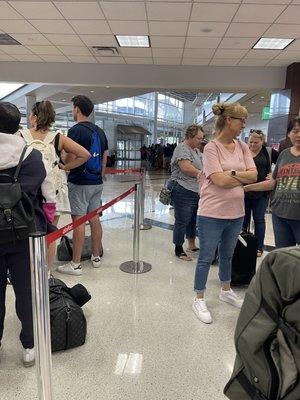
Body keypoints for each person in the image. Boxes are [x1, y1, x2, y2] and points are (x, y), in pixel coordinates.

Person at [193, 102, 257, 324]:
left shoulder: (242, 147)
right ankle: (199, 297)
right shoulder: (211, 148)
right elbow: (218, 181)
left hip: (236, 212)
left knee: (228, 254)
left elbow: (254, 175)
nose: (244, 125)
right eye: (241, 121)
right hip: (211, 212)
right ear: (229, 120)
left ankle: (225, 289)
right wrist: (240, 174)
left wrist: (230, 173)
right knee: (205, 257)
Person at [0, 102, 47, 366]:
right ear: (18, 125)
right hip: (23, 232)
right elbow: (43, 190)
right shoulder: (30, 155)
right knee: (26, 290)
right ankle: (29, 344)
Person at [19, 101, 90, 268]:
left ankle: (29, 270)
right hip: (53, 192)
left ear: (35, 117)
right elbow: (84, 154)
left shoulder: (22, 136)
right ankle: (47, 273)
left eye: (31, 114)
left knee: (26, 233)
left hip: (27, 191)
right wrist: (65, 167)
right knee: (51, 233)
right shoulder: (58, 137)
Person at [58, 95, 108, 276]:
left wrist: (65, 166)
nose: (72, 111)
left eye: (72, 108)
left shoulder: (76, 131)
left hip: (79, 182)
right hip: (96, 182)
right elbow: (104, 157)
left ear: (77, 109)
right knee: (94, 219)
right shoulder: (99, 131)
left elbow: (71, 157)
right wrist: (100, 175)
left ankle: (76, 264)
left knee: (78, 221)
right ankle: (96, 257)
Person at [244, 117, 300, 248]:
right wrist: (246, 188)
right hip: (280, 214)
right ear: (289, 134)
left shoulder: (269, 152)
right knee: (283, 256)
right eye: (295, 131)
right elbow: (272, 183)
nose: (298, 135)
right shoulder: (284, 154)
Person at [169, 124, 204, 261]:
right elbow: (186, 168)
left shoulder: (195, 150)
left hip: (196, 190)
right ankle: (178, 248)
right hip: (183, 189)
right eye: (198, 138)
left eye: (202, 138)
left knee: (193, 219)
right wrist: (202, 173)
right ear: (189, 136)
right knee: (182, 220)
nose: (200, 141)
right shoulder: (182, 148)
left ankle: (191, 244)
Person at [243, 129, 279, 256]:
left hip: (262, 192)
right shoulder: (243, 151)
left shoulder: (268, 152)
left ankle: (259, 246)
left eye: (256, 142)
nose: (252, 145)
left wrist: (274, 175)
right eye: (250, 142)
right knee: (243, 219)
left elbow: (282, 162)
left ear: (262, 141)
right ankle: (242, 243)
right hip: (244, 191)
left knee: (259, 219)